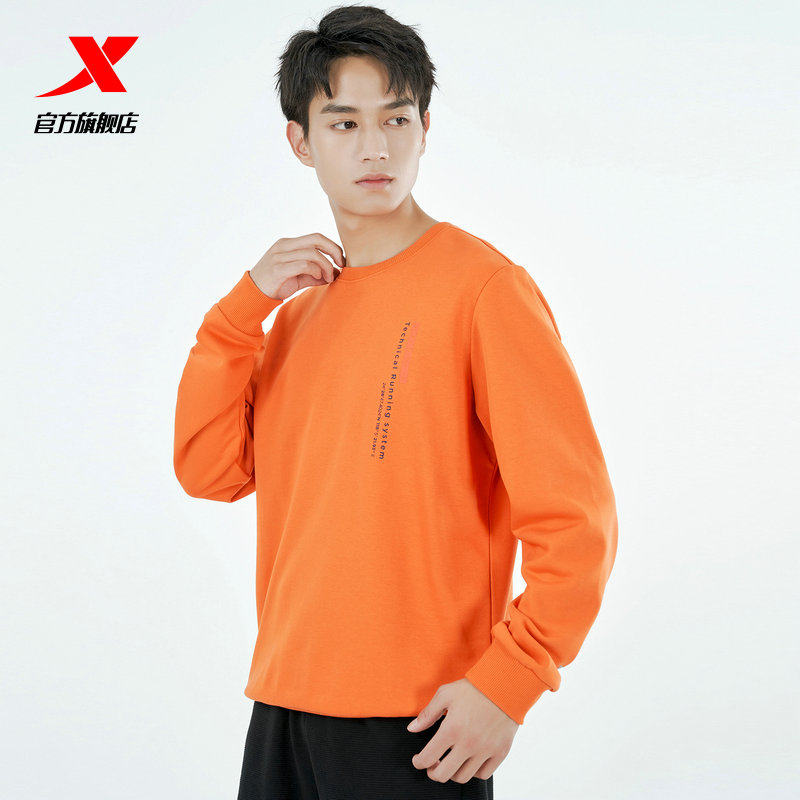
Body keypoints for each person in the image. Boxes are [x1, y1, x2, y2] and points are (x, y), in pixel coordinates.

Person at [173, 5, 618, 799]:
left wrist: (510, 682)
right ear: (301, 141)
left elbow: (575, 521)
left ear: (424, 129)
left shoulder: (484, 290)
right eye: (343, 123)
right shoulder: (297, 312)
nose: (374, 147)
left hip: (419, 724)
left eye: (396, 118)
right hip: (282, 706)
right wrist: (240, 314)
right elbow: (211, 472)